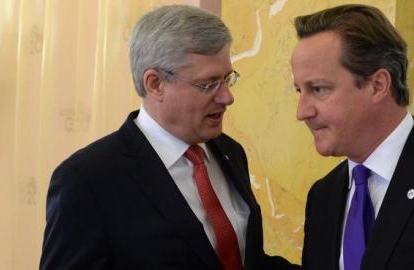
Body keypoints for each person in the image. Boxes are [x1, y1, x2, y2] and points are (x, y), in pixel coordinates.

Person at [40, 5, 299, 270]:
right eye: (209, 84)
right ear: (155, 84)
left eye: (227, 79)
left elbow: (246, 261)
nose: (226, 97)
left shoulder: (230, 152)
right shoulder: (87, 179)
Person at [291, 4, 414, 270]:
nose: (302, 112)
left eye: (318, 89)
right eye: (300, 90)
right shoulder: (323, 196)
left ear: (378, 85)